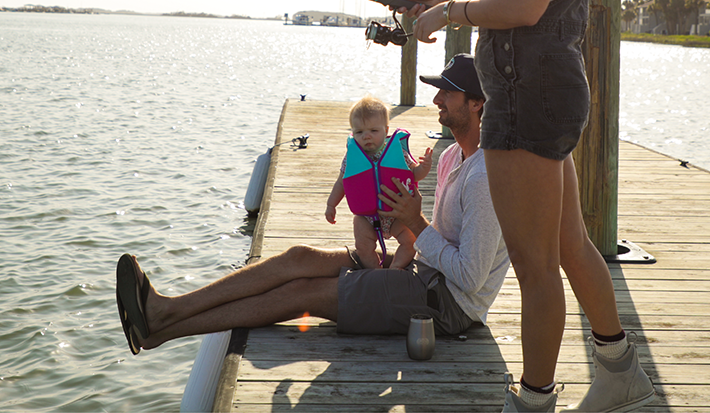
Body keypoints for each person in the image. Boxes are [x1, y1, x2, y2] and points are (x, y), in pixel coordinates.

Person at [399, 0, 654, 412]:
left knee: (536, 266)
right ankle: (619, 373)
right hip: (533, 87)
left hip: (527, 95)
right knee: (566, 244)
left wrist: (449, 15)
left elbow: (525, 9)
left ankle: (532, 401)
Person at [115, 54, 509, 356]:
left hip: (448, 305)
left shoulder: (487, 177)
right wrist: (393, 220)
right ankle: (168, 307)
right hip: (424, 269)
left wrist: (416, 224)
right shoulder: (449, 158)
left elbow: (471, 278)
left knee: (304, 292)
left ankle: (161, 328)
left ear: (477, 103)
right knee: (299, 257)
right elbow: (436, 236)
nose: (437, 98)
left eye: (448, 92)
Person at [324, 96, 433, 270]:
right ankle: (375, 271)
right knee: (363, 247)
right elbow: (341, 183)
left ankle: (395, 267)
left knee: (410, 241)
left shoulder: (398, 153)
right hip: (366, 216)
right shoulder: (352, 158)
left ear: (386, 130)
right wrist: (331, 205)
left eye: (373, 131)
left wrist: (424, 167)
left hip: (396, 213)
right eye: (359, 132)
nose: (366, 136)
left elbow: (414, 175)